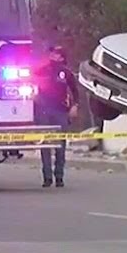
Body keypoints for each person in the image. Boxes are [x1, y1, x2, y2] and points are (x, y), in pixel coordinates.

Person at [36, 45, 78, 188]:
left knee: (60, 144)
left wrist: (74, 106)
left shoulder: (66, 73)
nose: (53, 55)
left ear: (61, 57)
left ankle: (59, 176)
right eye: (52, 53)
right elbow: (31, 79)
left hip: (61, 110)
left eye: (56, 54)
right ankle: (47, 177)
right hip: (44, 111)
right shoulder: (42, 70)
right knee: (45, 144)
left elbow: (75, 91)